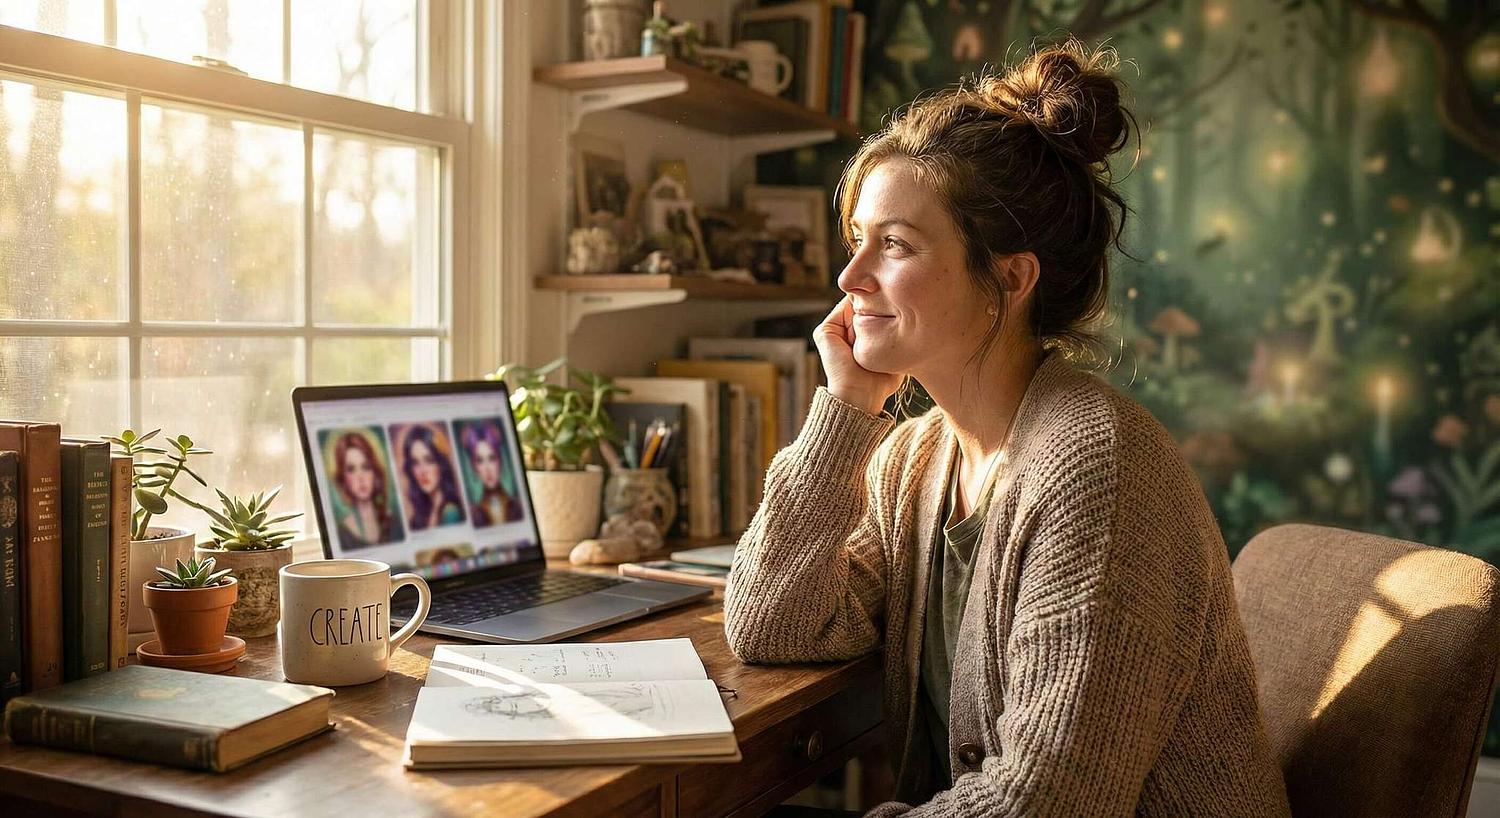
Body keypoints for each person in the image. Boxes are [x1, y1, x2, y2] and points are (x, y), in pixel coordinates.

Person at [723, 41, 1291, 817]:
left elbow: (1045, 803)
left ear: (1011, 277)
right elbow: (773, 626)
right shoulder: (914, 460)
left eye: (894, 245)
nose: (850, 278)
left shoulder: (1097, 468)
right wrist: (846, 410)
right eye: (857, 240)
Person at [330, 431, 402, 549]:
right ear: (343, 478)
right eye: (351, 469)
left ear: (375, 472)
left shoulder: (396, 524)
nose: (361, 477)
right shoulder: (340, 535)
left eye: (366, 467)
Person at [400, 424, 465, 530]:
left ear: (441, 465)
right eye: (415, 463)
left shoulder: (451, 512)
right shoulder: (422, 514)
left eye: (429, 460)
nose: (422, 471)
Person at [460, 420, 523, 527]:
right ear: (474, 466)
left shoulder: (518, 507)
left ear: (500, 461)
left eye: (492, 458)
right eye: (480, 460)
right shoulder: (473, 514)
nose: (487, 468)